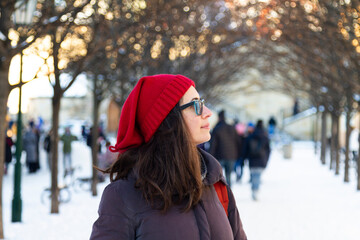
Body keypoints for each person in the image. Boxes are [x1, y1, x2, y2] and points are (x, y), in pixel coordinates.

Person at [90, 74, 247, 240]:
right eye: (196, 105)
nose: (207, 112)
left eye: (202, 103)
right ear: (167, 119)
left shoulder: (216, 184)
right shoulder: (124, 195)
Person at [209, 110, 239, 187]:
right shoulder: (232, 128)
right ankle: (229, 192)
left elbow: (213, 144)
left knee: (218, 176)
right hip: (231, 156)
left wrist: (210, 157)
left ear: (219, 118)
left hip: (219, 155)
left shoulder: (217, 129)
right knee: (229, 175)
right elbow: (238, 141)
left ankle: (221, 194)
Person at [243, 120, 270, 201]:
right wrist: (266, 159)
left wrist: (244, 158)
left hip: (252, 159)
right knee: (257, 175)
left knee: (254, 174)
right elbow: (268, 150)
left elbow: (246, 149)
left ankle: (254, 189)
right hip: (261, 159)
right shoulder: (265, 137)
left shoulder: (251, 136)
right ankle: (255, 190)